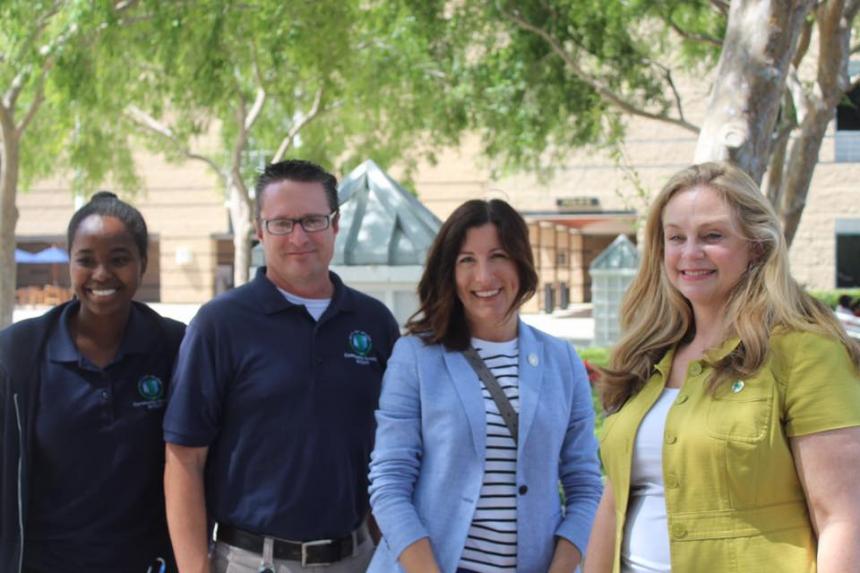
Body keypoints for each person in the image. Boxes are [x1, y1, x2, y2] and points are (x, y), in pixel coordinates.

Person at [584, 162, 860, 573]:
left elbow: (844, 518)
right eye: (676, 238)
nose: (689, 253)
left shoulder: (806, 352)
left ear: (757, 246)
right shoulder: (647, 355)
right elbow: (614, 501)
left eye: (712, 236)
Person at [163, 159, 400, 573]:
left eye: (312, 220)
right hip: (253, 562)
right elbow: (184, 458)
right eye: (281, 223)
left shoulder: (374, 323)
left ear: (335, 224)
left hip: (358, 559)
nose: (299, 236)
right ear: (258, 230)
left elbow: (390, 453)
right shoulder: (220, 325)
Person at [368, 199, 603, 573]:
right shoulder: (415, 357)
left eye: (498, 256)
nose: (484, 277)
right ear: (449, 271)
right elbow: (389, 483)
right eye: (467, 261)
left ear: (521, 262)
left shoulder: (562, 361)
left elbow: (586, 484)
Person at [0, 192, 186, 573]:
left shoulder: (176, 346)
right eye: (86, 260)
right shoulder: (20, 351)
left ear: (142, 264)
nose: (102, 274)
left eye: (119, 260)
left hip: (148, 562)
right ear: (70, 263)